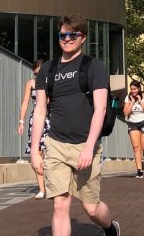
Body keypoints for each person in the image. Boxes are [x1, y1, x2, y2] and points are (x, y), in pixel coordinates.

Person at [31, 14, 120, 236]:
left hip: (85, 145)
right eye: (63, 34)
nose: (67, 38)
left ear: (83, 38)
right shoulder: (47, 70)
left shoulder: (94, 66)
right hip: (56, 144)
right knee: (60, 204)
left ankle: (110, 228)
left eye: (73, 34)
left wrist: (90, 146)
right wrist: (34, 151)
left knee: (91, 208)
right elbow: (40, 110)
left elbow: (100, 109)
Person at [18, 59, 49, 199]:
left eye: (40, 73)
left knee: (51, 152)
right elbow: (25, 102)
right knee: (36, 153)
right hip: (36, 119)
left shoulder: (51, 82)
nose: (38, 76)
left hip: (51, 119)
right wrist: (21, 121)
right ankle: (42, 189)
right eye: (35, 74)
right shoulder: (31, 84)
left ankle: (52, 185)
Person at [123, 79, 144, 178]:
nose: (133, 91)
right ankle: (139, 171)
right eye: (131, 89)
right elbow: (126, 113)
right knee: (136, 147)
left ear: (139, 88)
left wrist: (140, 101)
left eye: (135, 89)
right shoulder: (128, 98)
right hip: (133, 124)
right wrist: (132, 102)